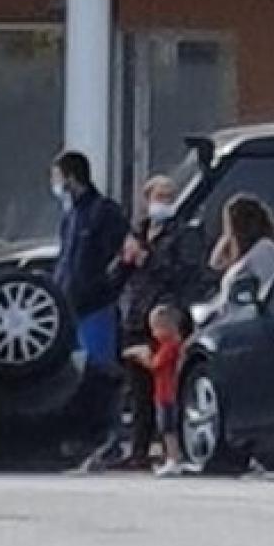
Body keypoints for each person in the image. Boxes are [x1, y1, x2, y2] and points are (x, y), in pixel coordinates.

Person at [112, 175, 204, 469]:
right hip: (136, 315)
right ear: (147, 198)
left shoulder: (182, 233)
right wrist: (126, 259)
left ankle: (173, 450)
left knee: (164, 384)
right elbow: (117, 274)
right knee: (137, 389)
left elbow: (183, 274)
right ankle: (138, 451)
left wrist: (146, 259)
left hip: (164, 315)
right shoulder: (137, 232)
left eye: (169, 196)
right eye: (159, 196)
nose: (163, 202)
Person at [50, 151, 130, 470]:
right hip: (71, 307)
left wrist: (108, 289)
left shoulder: (103, 212)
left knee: (101, 371)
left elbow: (122, 256)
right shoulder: (71, 217)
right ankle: (81, 435)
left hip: (96, 306)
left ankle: (107, 437)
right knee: (77, 375)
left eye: (57, 177)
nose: (56, 185)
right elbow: (66, 261)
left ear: (70, 177)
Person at [123, 304, 185, 477]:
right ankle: (171, 457)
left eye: (156, 329)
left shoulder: (170, 346)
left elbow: (155, 365)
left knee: (168, 428)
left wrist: (141, 356)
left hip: (167, 393)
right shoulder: (168, 345)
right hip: (162, 393)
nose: (153, 333)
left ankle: (173, 458)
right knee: (165, 427)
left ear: (169, 328)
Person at [208, 194, 274, 312]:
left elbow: (269, 284)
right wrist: (227, 236)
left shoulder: (264, 249)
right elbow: (215, 263)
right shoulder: (246, 252)